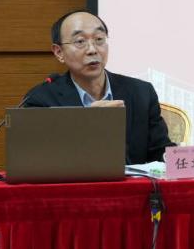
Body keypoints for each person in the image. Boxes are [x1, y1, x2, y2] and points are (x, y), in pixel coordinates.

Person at [22, 9, 172, 164]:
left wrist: (179, 156)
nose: (92, 50)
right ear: (59, 52)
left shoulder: (141, 92)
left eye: (99, 39)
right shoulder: (41, 100)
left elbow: (160, 152)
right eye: (80, 41)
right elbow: (36, 160)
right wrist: (89, 126)